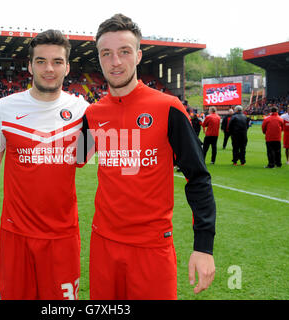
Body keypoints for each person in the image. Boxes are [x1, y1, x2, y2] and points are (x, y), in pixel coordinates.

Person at [78, 14, 216, 300]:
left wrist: (203, 247)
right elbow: (72, 159)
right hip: (103, 243)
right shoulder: (92, 113)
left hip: (152, 247)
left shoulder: (168, 108)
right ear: (99, 59)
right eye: (107, 54)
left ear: (138, 55)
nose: (116, 61)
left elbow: (198, 177)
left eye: (124, 52)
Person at [0, 29, 89, 300]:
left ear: (67, 67)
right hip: (16, 233)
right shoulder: (5, 108)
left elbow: (82, 159)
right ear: (29, 65)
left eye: (57, 61)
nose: (49, 68)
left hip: (63, 235)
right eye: (41, 61)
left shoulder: (83, 110)